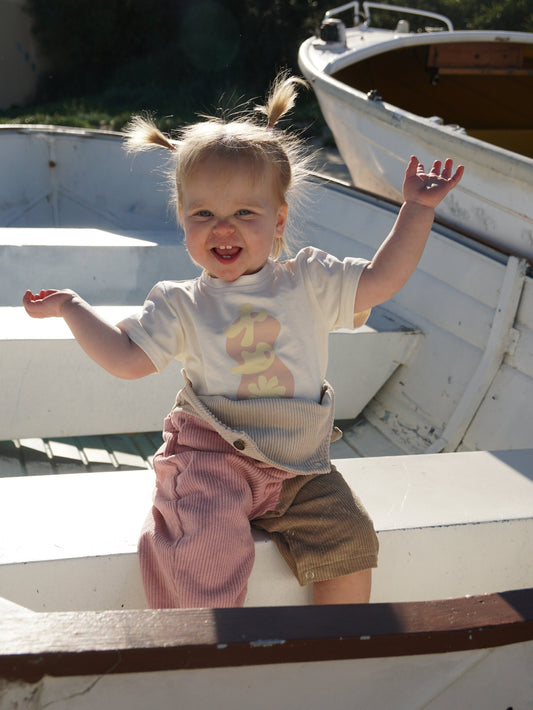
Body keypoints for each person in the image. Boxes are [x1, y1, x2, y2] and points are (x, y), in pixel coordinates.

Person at [23, 73, 464, 609]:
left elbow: (381, 279)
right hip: (214, 455)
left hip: (299, 462)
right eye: (203, 214)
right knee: (199, 544)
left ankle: (338, 649)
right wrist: (72, 308)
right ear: (183, 221)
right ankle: (207, 653)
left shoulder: (308, 281)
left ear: (278, 223)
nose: (223, 228)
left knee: (351, 539)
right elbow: (127, 360)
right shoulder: (181, 302)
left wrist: (417, 209)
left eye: (244, 214)